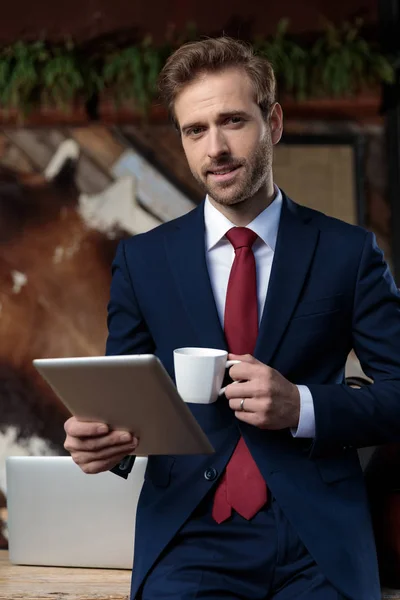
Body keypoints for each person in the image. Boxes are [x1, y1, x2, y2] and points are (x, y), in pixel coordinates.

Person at [64, 37, 400, 600]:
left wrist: (303, 405)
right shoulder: (142, 262)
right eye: (195, 130)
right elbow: (122, 402)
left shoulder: (350, 253)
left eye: (233, 122)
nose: (215, 147)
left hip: (318, 539)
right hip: (190, 536)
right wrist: (102, 442)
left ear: (273, 122)